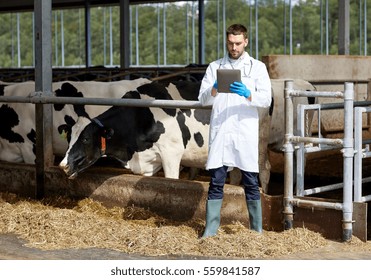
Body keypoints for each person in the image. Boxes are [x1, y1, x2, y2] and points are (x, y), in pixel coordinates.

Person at [198, 23, 272, 237]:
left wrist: (248, 93)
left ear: (246, 42)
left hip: (245, 133)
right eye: (231, 43)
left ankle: (256, 231)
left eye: (238, 43)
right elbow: (202, 99)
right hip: (222, 132)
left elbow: (266, 99)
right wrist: (213, 88)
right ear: (226, 42)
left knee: (250, 180)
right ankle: (210, 231)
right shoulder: (214, 67)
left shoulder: (257, 68)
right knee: (216, 181)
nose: (234, 47)